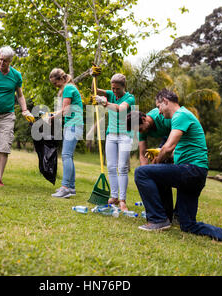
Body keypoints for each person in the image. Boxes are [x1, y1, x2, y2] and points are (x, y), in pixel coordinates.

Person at [134, 88, 222, 250]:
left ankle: (158, 219)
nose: (158, 111)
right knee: (187, 224)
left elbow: (168, 148)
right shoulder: (180, 118)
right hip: (194, 174)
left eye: (159, 106)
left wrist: (156, 161)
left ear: (166, 102)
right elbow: (175, 152)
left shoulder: (180, 115)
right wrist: (161, 159)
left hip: (191, 171)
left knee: (142, 172)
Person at [0, 46, 34, 187]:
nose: (1, 63)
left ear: (10, 61)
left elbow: (20, 95)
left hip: (7, 117)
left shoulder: (16, 75)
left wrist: (24, 110)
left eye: (4, 61)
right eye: (0, 59)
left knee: (4, 148)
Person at [92, 74, 135, 211]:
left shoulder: (130, 98)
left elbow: (121, 109)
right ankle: (114, 197)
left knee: (122, 167)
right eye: (113, 88)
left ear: (124, 87)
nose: (114, 91)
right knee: (111, 166)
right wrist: (95, 76)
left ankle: (122, 200)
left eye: (117, 89)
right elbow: (93, 89)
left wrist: (103, 102)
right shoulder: (110, 94)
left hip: (125, 135)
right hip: (111, 134)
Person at [127, 109, 175, 222]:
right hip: (166, 138)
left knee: (165, 167)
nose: (140, 132)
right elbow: (143, 154)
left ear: (144, 119)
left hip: (179, 137)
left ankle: (175, 213)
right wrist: (146, 173)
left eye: (140, 129)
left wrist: (164, 156)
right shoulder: (141, 130)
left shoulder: (163, 118)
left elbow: (178, 137)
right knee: (158, 173)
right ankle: (167, 213)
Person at [49, 68, 83, 198]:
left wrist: (51, 118)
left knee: (66, 155)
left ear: (61, 79)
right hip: (73, 124)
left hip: (74, 124)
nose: (55, 86)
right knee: (69, 156)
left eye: (55, 83)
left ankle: (65, 187)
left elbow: (64, 110)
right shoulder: (69, 87)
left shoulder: (68, 88)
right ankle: (71, 187)